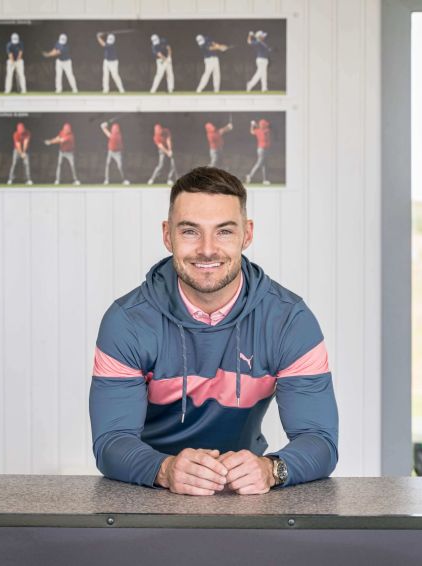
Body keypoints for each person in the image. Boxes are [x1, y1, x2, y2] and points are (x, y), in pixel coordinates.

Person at [90, 166, 338, 495]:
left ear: (246, 234)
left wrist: (271, 469)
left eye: (224, 231)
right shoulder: (127, 321)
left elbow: (320, 440)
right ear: (168, 235)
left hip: (244, 493)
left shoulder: (289, 320)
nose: (207, 249)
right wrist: (164, 469)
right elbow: (110, 442)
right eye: (190, 231)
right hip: (150, 489)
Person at [245, 119, 271, 185]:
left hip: (262, 149)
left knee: (264, 165)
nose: (267, 125)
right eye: (265, 125)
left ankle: (265, 180)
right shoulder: (265, 130)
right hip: (262, 150)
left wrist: (252, 125)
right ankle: (250, 175)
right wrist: (255, 125)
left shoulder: (259, 130)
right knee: (259, 163)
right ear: (264, 126)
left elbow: (252, 131)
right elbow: (261, 129)